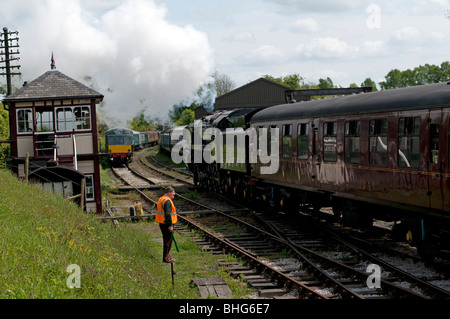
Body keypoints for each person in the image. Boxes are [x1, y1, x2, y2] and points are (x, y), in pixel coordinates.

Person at [155, 186, 178, 263]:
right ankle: (166, 258)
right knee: (168, 240)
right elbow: (168, 214)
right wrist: (170, 225)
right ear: (168, 193)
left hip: (162, 222)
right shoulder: (167, 201)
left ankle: (167, 256)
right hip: (166, 223)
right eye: (173, 193)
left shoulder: (162, 198)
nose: (174, 194)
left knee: (167, 239)